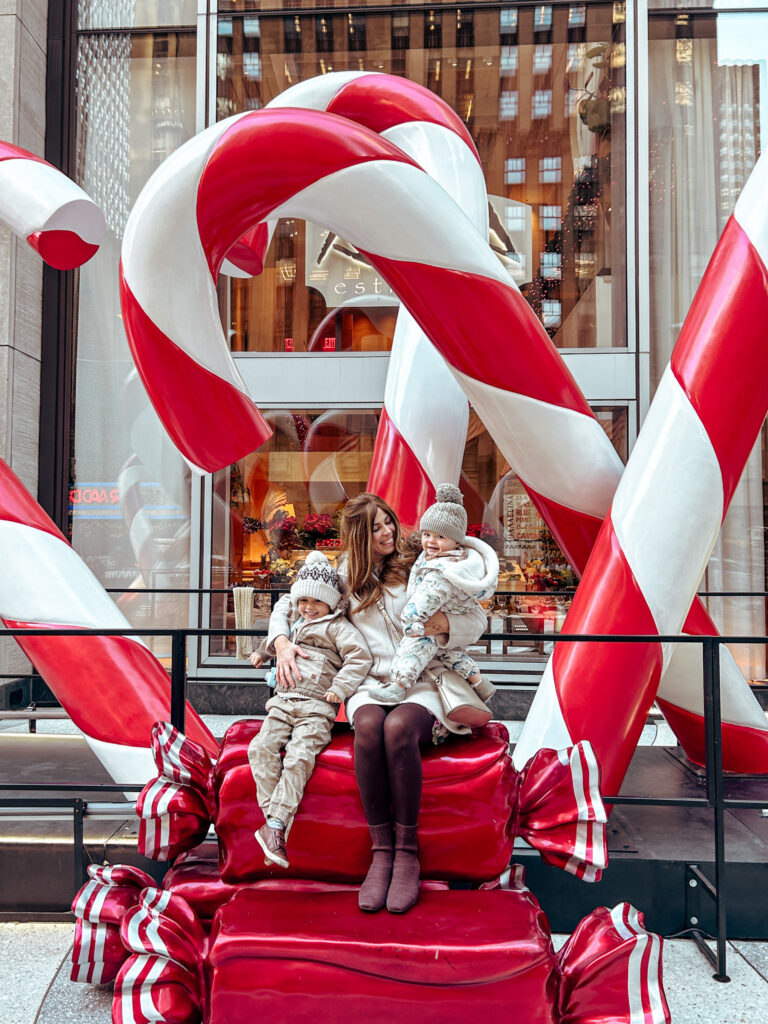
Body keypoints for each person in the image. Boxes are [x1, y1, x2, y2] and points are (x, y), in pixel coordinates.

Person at [264, 493, 487, 914]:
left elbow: (476, 618)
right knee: (368, 725)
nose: (388, 533)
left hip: (424, 680)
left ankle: (406, 851)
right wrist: (280, 642)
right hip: (369, 683)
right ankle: (380, 850)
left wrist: (445, 626)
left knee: (397, 728)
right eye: (376, 528)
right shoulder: (344, 575)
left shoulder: (423, 563)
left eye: (389, 522)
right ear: (358, 537)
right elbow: (288, 603)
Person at [247, 551, 372, 869]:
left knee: (299, 757)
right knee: (260, 749)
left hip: (317, 708)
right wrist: (263, 653)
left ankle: (275, 825)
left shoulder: (338, 628)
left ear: (331, 603)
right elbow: (276, 640)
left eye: (316, 603)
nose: (308, 608)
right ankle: (274, 824)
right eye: (302, 601)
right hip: (282, 703)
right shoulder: (295, 624)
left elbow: (360, 657)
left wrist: (340, 689)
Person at [369, 483, 498, 704]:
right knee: (451, 654)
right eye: (427, 534)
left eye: (389, 522)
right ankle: (479, 682)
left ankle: (399, 685)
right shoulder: (435, 557)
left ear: (456, 541)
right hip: (377, 672)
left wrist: (415, 619)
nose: (430, 541)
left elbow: (428, 597)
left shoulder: (442, 568)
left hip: (427, 644)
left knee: (414, 646)